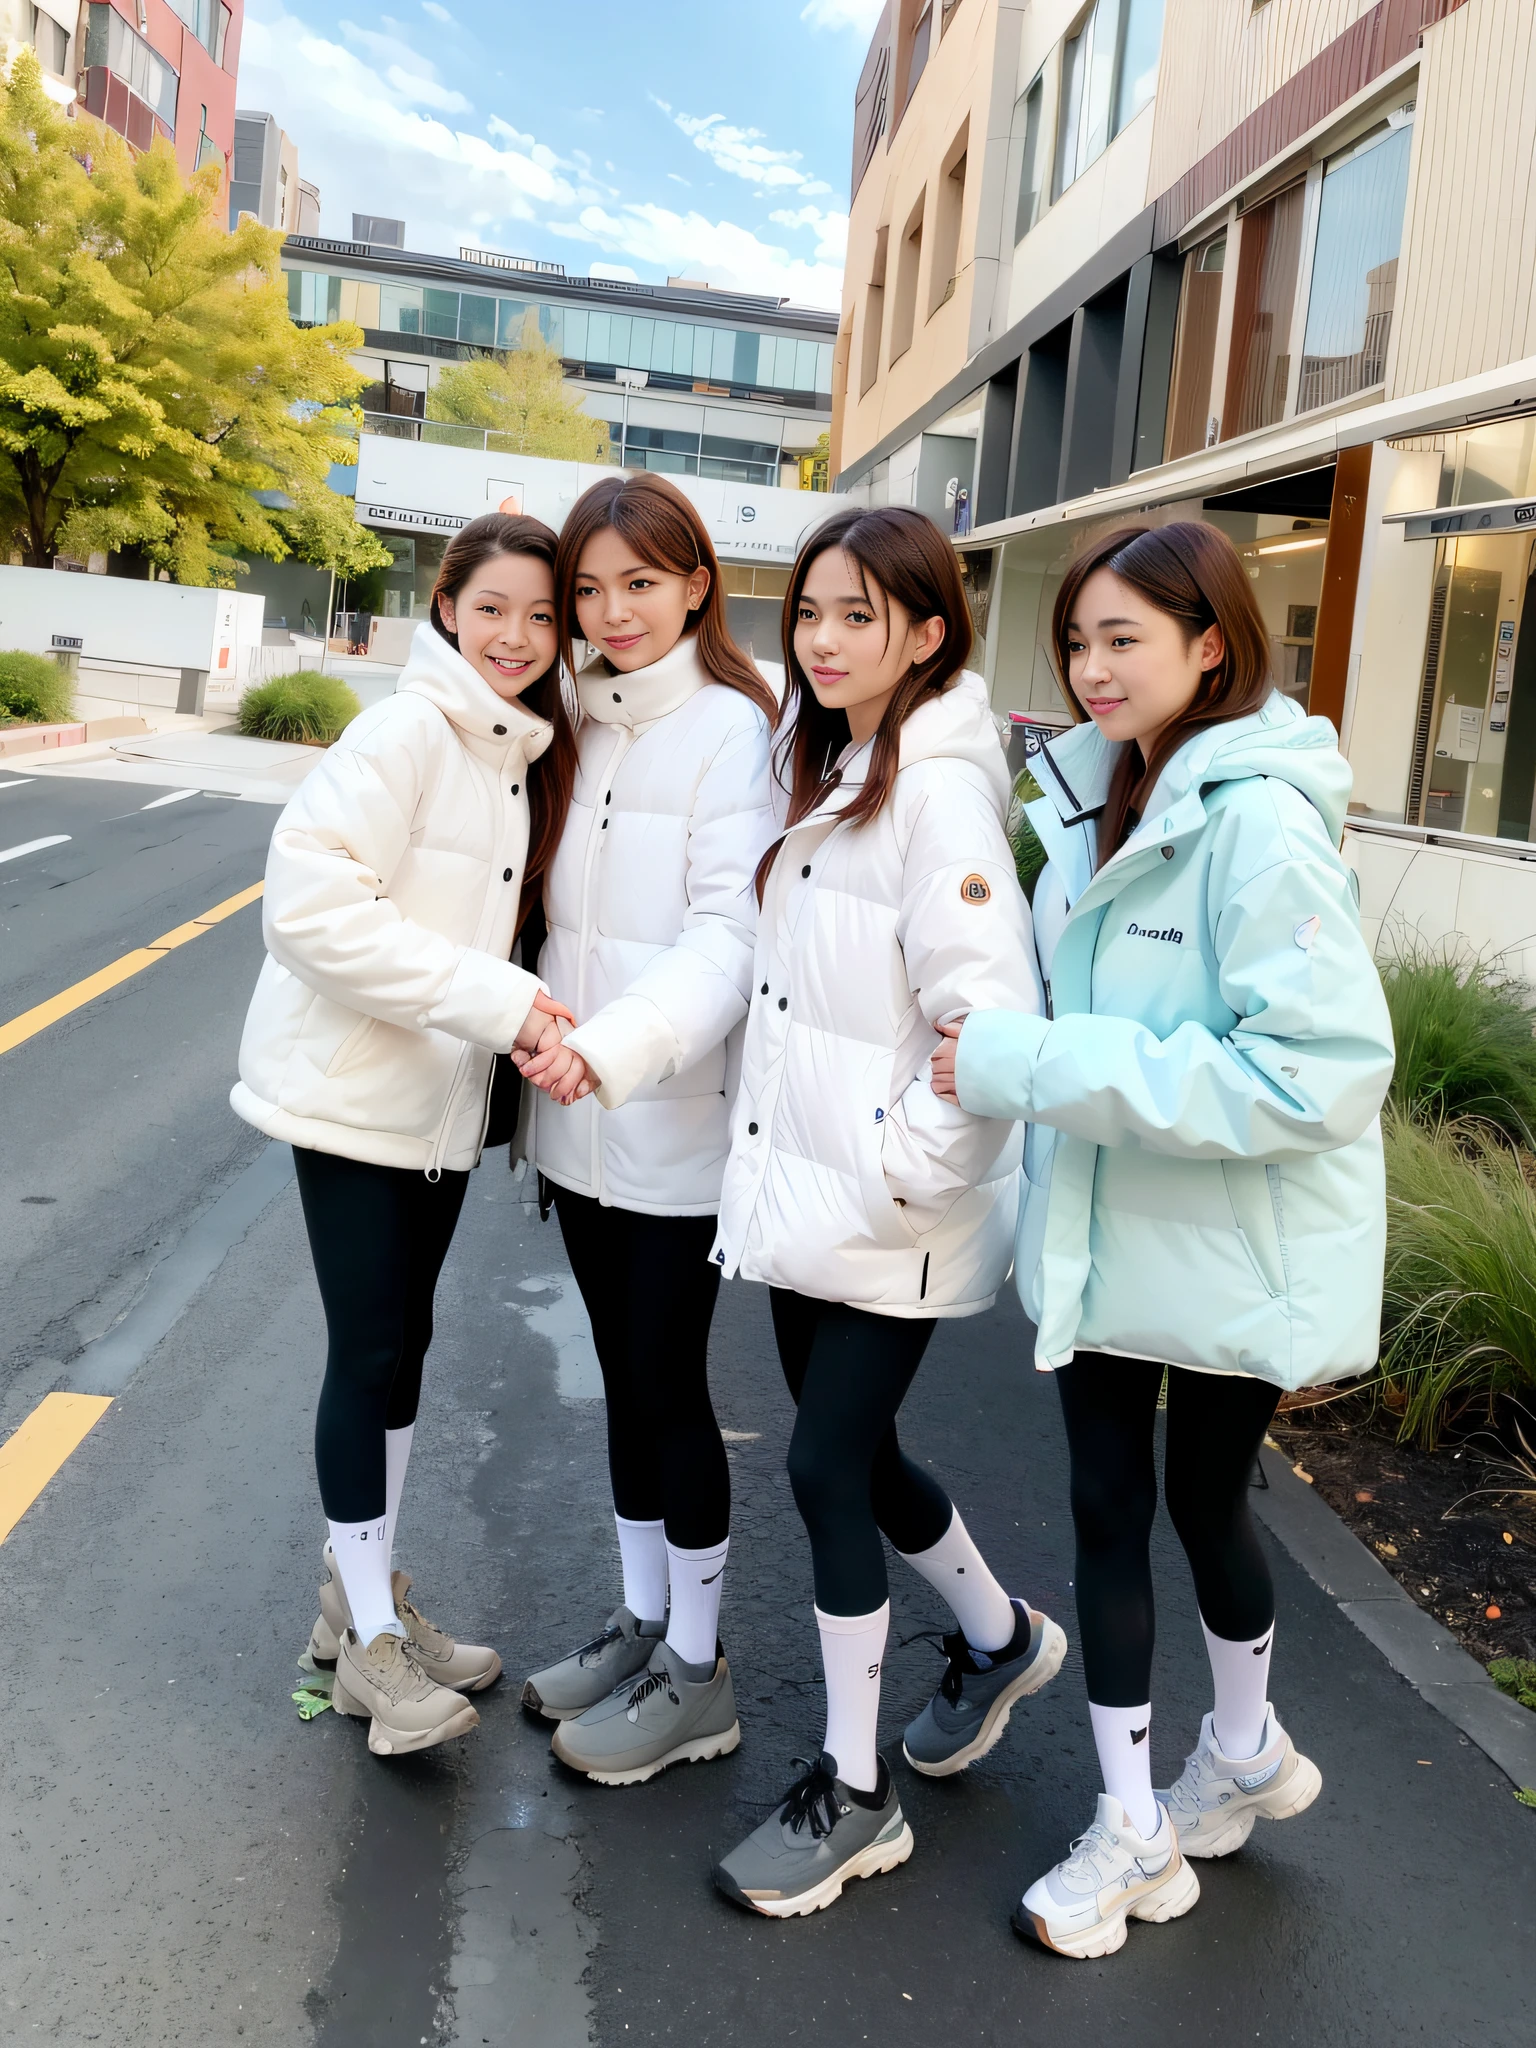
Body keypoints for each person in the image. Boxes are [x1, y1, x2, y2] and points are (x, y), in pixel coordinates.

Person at [932, 521, 1395, 1959]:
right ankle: (1213, 1771)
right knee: (1128, 1511)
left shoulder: (1255, 821)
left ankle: (1150, 1822)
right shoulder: (1093, 796)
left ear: (1213, 641)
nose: (1091, 668)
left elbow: (1320, 1073)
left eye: (1124, 638)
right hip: (1109, 1230)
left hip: (1214, 1246)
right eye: (1077, 640)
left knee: (1188, 1507)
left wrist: (1028, 1065)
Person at [706, 505, 1066, 1919]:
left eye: (861, 615)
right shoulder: (839, 763)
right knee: (860, 1457)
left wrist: (897, 1170)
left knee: (821, 1470)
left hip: (884, 1205)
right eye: (811, 612)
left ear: (928, 631)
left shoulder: (937, 793)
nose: (826, 638)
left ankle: (856, 1797)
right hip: (822, 1195)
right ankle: (997, 1634)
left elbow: (987, 1023)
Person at [231, 512, 577, 1758]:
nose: (519, 636)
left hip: (429, 1101)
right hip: (360, 1096)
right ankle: (368, 1642)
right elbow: (309, 908)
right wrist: (504, 1004)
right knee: (368, 1347)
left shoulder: (508, 750)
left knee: (402, 1346)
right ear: (446, 605)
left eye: (542, 615)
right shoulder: (405, 733)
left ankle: (357, 1602)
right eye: (494, 608)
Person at [513, 472, 778, 1786]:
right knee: (624, 1381)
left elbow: (731, 939)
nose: (614, 612)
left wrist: (608, 1053)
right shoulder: (564, 716)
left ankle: (702, 1670)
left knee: (673, 1390)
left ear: (696, 585)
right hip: (573, 1132)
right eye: (590, 590)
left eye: (641, 583)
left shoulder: (736, 733)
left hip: (667, 1120)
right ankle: (644, 1619)